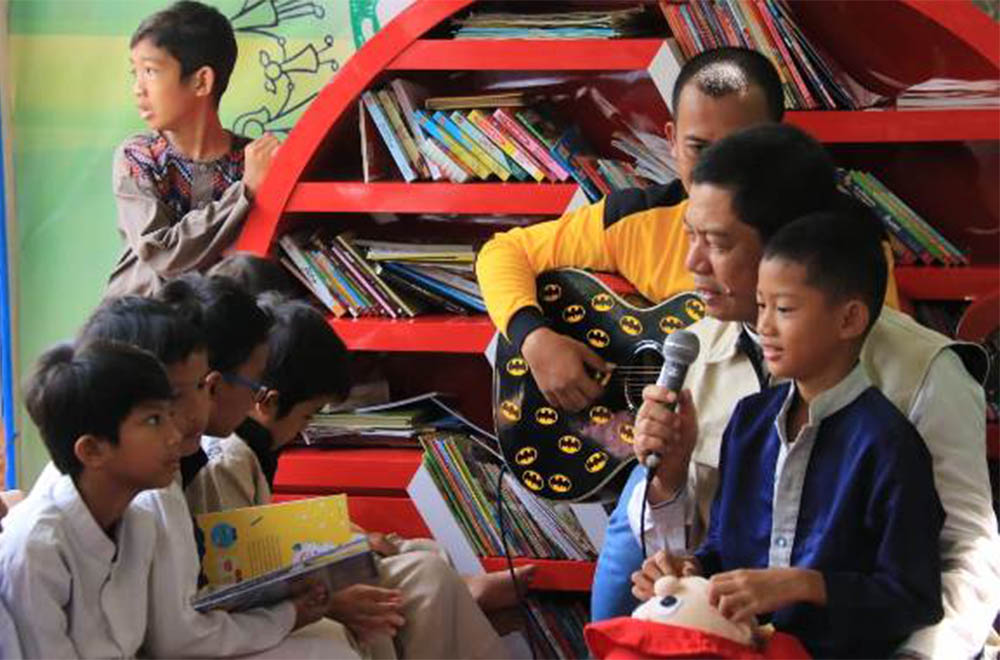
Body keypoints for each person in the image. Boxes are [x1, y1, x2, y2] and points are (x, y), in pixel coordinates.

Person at [621, 124, 999, 657]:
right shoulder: (694, 356)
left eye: (719, 243)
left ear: (790, 241)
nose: (692, 264)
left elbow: (968, 556)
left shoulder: (923, 371)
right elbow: (703, 552)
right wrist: (671, 484)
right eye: (691, 236)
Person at [633, 211, 945, 657]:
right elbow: (725, 546)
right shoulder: (749, 422)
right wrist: (693, 566)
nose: (764, 327)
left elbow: (913, 599)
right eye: (760, 306)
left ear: (849, 320)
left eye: (784, 309)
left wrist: (806, 585)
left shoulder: (888, 443)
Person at [185, 292, 516, 659]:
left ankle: (460, 587)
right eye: (307, 417)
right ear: (268, 400)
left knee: (425, 572)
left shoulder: (253, 449)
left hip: (292, 590)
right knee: (395, 600)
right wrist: (331, 599)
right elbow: (238, 579)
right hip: (273, 610)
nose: (302, 431)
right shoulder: (227, 459)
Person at [29, 294, 342, 657]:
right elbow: (177, 638)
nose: (200, 405)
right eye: (154, 416)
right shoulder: (41, 547)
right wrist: (288, 614)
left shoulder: (139, 512)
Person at [0, 341, 183, 657]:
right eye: (153, 420)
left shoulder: (139, 523)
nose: (175, 435)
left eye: (170, 414)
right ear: (92, 450)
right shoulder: (38, 546)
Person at [108, 1, 281, 297]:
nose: (138, 88)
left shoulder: (254, 161)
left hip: (218, 333)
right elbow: (162, 254)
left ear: (201, 81)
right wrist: (244, 194)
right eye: (134, 72)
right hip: (139, 332)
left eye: (150, 71)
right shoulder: (138, 156)